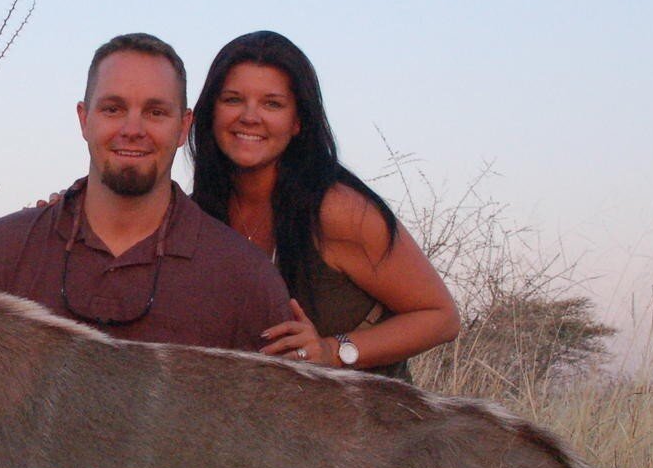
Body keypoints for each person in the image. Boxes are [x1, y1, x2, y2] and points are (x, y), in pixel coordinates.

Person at [0, 32, 291, 352]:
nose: (133, 130)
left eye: (155, 112)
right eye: (113, 109)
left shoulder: (246, 278)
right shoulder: (3, 254)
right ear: (84, 118)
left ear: (183, 127)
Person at [189, 31, 458, 379]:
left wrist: (331, 351)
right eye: (233, 100)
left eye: (272, 104)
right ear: (209, 112)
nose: (250, 116)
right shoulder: (195, 216)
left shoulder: (337, 210)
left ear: (298, 121)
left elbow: (441, 317)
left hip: (366, 423)